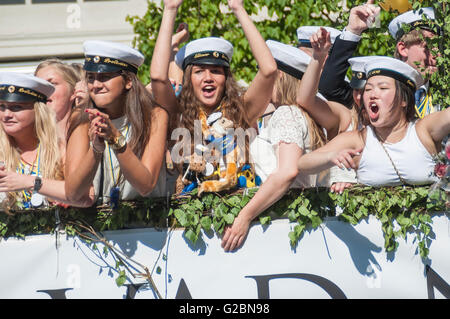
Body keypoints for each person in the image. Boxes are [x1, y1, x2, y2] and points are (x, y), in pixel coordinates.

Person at [151, 0, 277, 195]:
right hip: (188, 220)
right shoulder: (178, 115)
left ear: (226, 78)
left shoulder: (240, 113)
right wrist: (170, 9)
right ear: (188, 79)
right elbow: (158, 78)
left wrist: (238, 9)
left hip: (239, 219)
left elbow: (269, 71)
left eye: (216, 71)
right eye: (199, 71)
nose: (208, 78)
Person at [221, 40, 327, 252]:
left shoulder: (285, 114)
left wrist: (244, 216)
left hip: (279, 223)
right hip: (294, 222)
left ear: (278, 78)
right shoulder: (305, 115)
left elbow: (287, 172)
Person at [297, 56, 450, 188]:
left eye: (383, 88)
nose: (372, 95)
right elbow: (303, 164)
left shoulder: (422, 129)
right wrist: (330, 157)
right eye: (368, 89)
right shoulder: (358, 139)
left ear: (404, 99)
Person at [64, 40, 171, 207]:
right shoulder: (81, 117)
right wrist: (96, 149)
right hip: (98, 227)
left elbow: (146, 185)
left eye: (105, 77)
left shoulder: (154, 115)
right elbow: (72, 193)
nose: (96, 85)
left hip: (149, 227)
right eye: (91, 78)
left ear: (128, 81)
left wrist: (115, 139)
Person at [0, 72, 94, 211]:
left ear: (38, 111)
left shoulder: (59, 149)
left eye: (16, 107)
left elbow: (85, 197)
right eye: (2, 107)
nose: (7, 114)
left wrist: (30, 182)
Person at [318, 0, 380, 109]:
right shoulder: (360, 104)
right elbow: (329, 88)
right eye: (367, 89)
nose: (359, 97)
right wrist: (353, 31)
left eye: (383, 88)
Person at [389, 7, 441, 118]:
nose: (438, 55)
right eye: (428, 47)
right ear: (403, 49)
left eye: (439, 47)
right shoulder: (386, 92)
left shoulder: (443, 93)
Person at [34, 59, 82, 149]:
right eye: (38, 85)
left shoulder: (93, 135)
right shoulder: (27, 141)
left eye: (52, 84)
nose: (43, 91)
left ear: (73, 92)